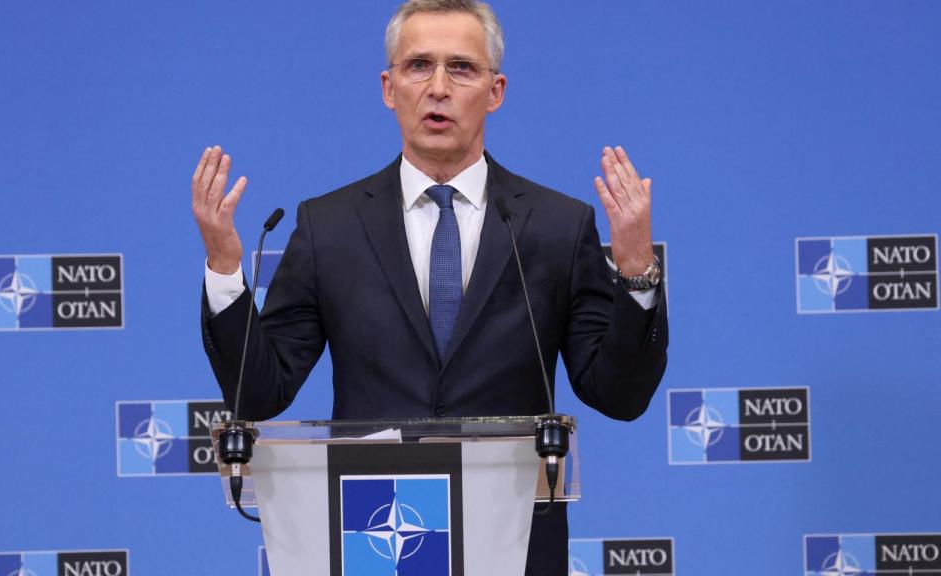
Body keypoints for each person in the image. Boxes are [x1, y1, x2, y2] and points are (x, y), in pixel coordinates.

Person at [192, 1, 668, 573]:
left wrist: (636, 269)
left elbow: (619, 395)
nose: (438, 87)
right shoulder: (330, 227)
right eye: (419, 66)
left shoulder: (556, 226)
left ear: (495, 91)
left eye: (461, 68)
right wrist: (224, 265)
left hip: (515, 543)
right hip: (376, 537)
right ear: (389, 88)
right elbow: (260, 394)